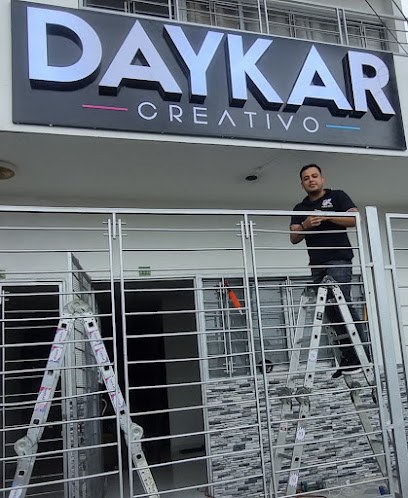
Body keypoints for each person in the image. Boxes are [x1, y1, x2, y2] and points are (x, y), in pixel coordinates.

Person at [290, 163, 364, 378]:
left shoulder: (337, 196)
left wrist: (327, 216)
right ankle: (348, 356)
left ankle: (360, 355)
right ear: (302, 184)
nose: (311, 180)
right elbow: (294, 237)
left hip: (339, 259)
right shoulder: (299, 208)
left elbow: (354, 219)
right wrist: (305, 225)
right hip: (317, 263)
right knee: (330, 310)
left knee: (342, 303)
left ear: (322, 179)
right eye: (306, 178)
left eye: (314, 176)